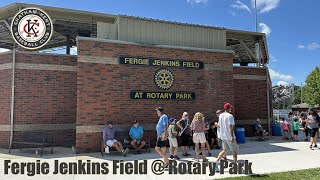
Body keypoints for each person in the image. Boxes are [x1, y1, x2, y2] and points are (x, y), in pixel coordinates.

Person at [216, 103, 239, 172]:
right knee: (234, 150)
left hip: (223, 136)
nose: (231, 109)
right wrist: (232, 137)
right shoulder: (230, 116)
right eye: (230, 108)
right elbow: (230, 127)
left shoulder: (221, 116)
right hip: (229, 136)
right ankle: (235, 165)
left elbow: (219, 125)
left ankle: (216, 163)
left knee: (224, 150)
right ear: (228, 108)